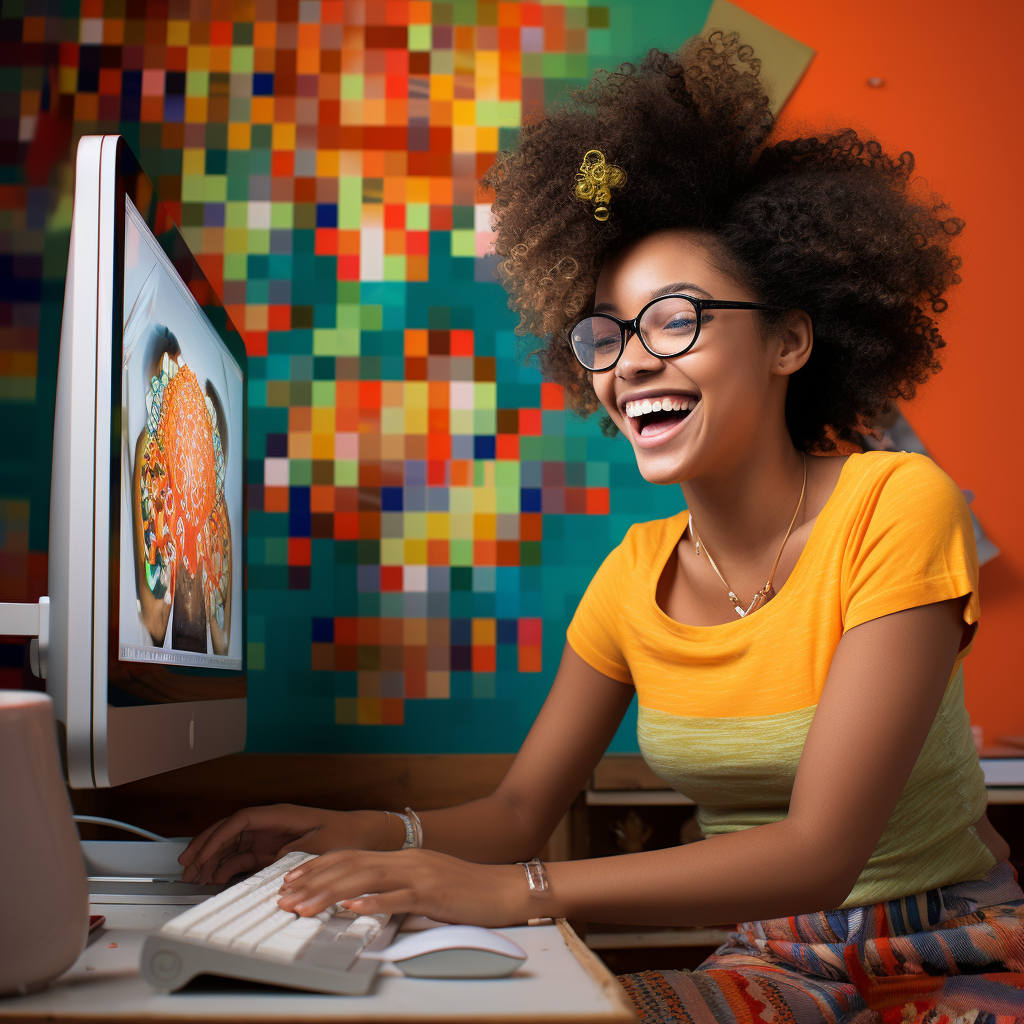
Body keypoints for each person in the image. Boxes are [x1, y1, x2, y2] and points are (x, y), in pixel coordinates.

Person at [179, 35, 1024, 1023]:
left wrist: (521, 893)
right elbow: (515, 814)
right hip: (773, 959)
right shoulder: (632, 578)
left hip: (950, 941)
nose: (628, 362)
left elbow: (820, 853)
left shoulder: (896, 502)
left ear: (790, 339)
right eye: (604, 334)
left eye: (675, 319)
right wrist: (362, 826)